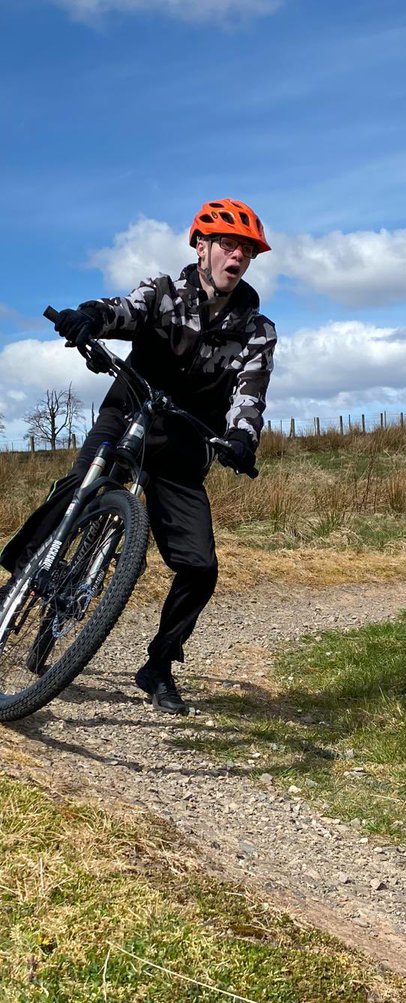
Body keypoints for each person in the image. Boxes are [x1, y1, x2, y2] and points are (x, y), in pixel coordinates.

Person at [0, 198, 277, 713]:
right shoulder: (165, 292)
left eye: (246, 249)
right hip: (128, 413)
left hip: (183, 445)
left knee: (200, 566)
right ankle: (24, 575)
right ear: (201, 247)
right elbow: (123, 311)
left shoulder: (256, 330)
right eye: (227, 244)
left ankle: (158, 665)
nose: (236, 255)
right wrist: (89, 317)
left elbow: (249, 394)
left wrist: (241, 438)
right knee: (75, 497)